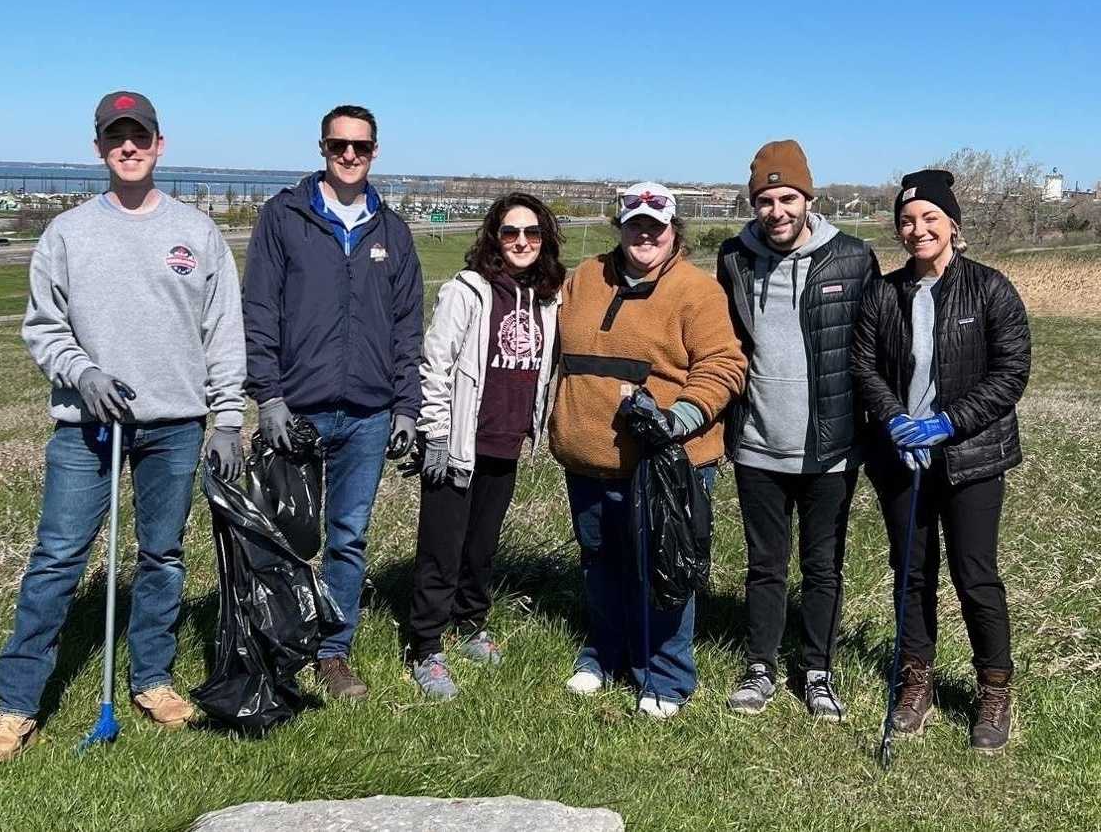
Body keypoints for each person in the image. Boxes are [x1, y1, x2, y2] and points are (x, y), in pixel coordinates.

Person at [0, 91, 246, 761]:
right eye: (114, 137)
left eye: (140, 136)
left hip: (175, 424)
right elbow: (43, 327)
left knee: (162, 556)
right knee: (58, 558)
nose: (128, 147)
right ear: (99, 148)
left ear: (159, 145)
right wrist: (82, 373)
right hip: (86, 427)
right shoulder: (67, 232)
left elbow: (224, 331)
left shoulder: (198, 232)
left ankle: (151, 678)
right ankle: (17, 702)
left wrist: (228, 419)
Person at [242, 105, 423, 700]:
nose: (349, 156)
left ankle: (332, 652)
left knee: (348, 534)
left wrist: (405, 406)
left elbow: (407, 325)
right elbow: (260, 310)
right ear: (321, 147)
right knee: (290, 534)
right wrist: (267, 395)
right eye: (338, 145)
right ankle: (280, 643)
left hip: (368, 415)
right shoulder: (283, 217)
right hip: (298, 407)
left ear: (375, 151)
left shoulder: (391, 230)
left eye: (361, 147)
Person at [549, 182, 746, 719]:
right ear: (621, 227)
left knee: (661, 570)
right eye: (634, 224)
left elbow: (724, 365)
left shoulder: (696, 291)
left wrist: (677, 419)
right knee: (600, 564)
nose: (644, 234)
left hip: (664, 465)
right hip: (587, 461)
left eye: (655, 226)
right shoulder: (586, 277)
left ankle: (666, 675)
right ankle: (604, 654)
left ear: (672, 231)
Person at [853, 169, 1030, 752]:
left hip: (973, 458)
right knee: (912, 571)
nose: (917, 229)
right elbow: (865, 367)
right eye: (907, 221)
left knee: (974, 575)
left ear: (952, 224)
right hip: (902, 458)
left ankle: (995, 690)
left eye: (930, 218)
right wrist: (895, 420)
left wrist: (948, 422)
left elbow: (1011, 373)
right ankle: (916, 679)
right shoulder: (885, 291)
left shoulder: (990, 289)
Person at [716, 140, 881, 721]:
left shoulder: (853, 259)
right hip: (757, 442)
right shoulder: (734, 257)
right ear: (753, 202)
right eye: (765, 199)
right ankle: (759, 666)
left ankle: (817, 671)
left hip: (830, 447)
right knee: (764, 564)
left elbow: (874, 349)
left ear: (808, 198)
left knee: (823, 566)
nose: (777, 211)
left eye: (788, 198)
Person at [405, 193, 565, 699]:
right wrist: (434, 432)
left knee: (481, 546)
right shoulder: (468, 291)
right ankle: (425, 645)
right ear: (494, 238)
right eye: (511, 232)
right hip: (458, 441)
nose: (522, 242)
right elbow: (436, 363)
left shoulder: (547, 298)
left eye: (532, 233)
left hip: (507, 438)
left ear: (545, 240)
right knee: (441, 547)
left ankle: (470, 622)